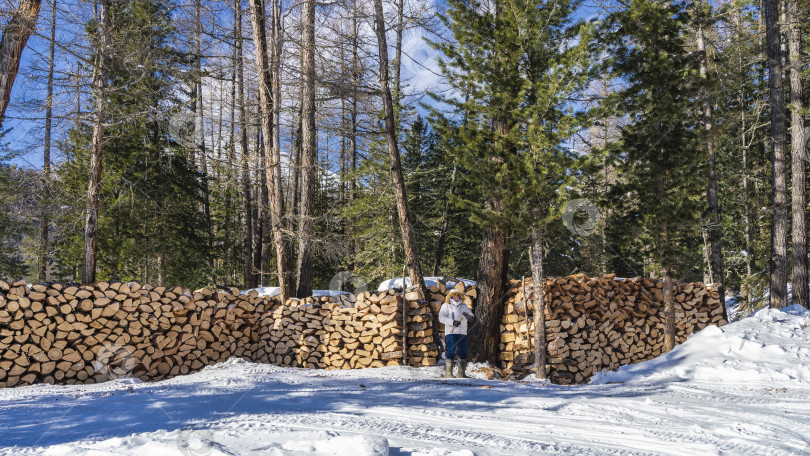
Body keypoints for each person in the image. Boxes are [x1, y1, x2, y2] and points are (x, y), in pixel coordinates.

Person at [438, 290, 475, 378]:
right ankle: (448, 373)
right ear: (450, 298)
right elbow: (441, 318)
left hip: (462, 333)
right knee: (451, 351)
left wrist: (470, 317)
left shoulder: (464, 306)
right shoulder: (446, 306)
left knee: (463, 352)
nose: (456, 298)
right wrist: (452, 322)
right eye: (454, 297)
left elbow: (471, 314)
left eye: (458, 297)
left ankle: (461, 373)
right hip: (451, 332)